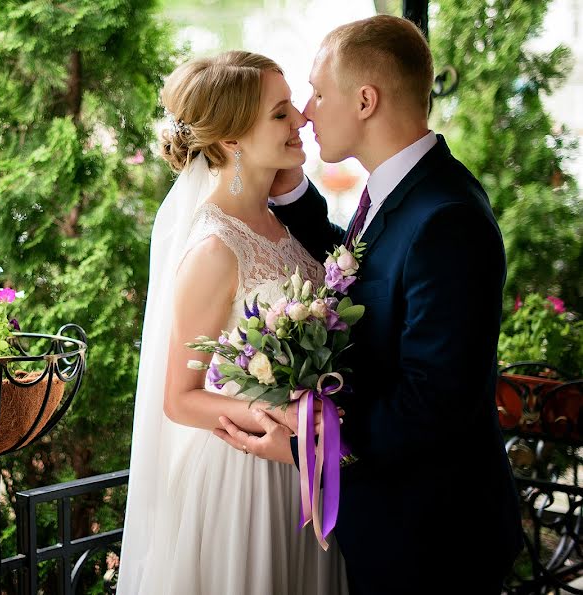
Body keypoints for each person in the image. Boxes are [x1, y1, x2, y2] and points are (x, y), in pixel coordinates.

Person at [214, 15, 523, 595]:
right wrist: (293, 196)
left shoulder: (447, 217)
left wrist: (311, 449)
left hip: (434, 541)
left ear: (364, 100)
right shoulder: (404, 190)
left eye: (318, 92)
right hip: (396, 523)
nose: (306, 111)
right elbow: (364, 274)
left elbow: (432, 402)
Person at [116, 51, 348, 595]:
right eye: (279, 113)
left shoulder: (278, 223)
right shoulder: (215, 247)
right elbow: (180, 398)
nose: (300, 121)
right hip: (245, 476)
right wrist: (277, 412)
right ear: (231, 141)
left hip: (300, 467)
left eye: (292, 106)